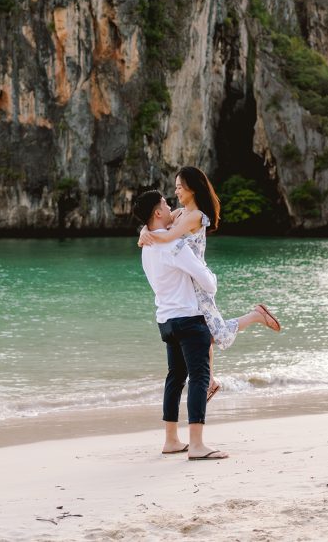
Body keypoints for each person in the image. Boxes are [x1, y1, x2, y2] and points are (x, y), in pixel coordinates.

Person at [138, 166, 281, 402]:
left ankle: (256, 315)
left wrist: (146, 234)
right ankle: (211, 381)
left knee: (217, 334)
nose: (176, 192)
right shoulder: (181, 213)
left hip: (199, 283)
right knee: (206, 335)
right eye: (175, 188)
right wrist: (145, 228)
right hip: (187, 282)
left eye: (180, 187)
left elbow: (167, 236)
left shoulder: (195, 216)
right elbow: (158, 223)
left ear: (193, 189)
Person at [133, 189, 228, 460]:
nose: (170, 204)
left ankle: (171, 440)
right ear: (157, 213)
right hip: (188, 318)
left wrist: (146, 227)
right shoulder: (175, 245)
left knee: (174, 378)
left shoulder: (148, 244)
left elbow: (165, 220)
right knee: (199, 378)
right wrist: (210, 273)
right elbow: (208, 284)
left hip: (165, 320)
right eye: (164, 203)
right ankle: (197, 444)